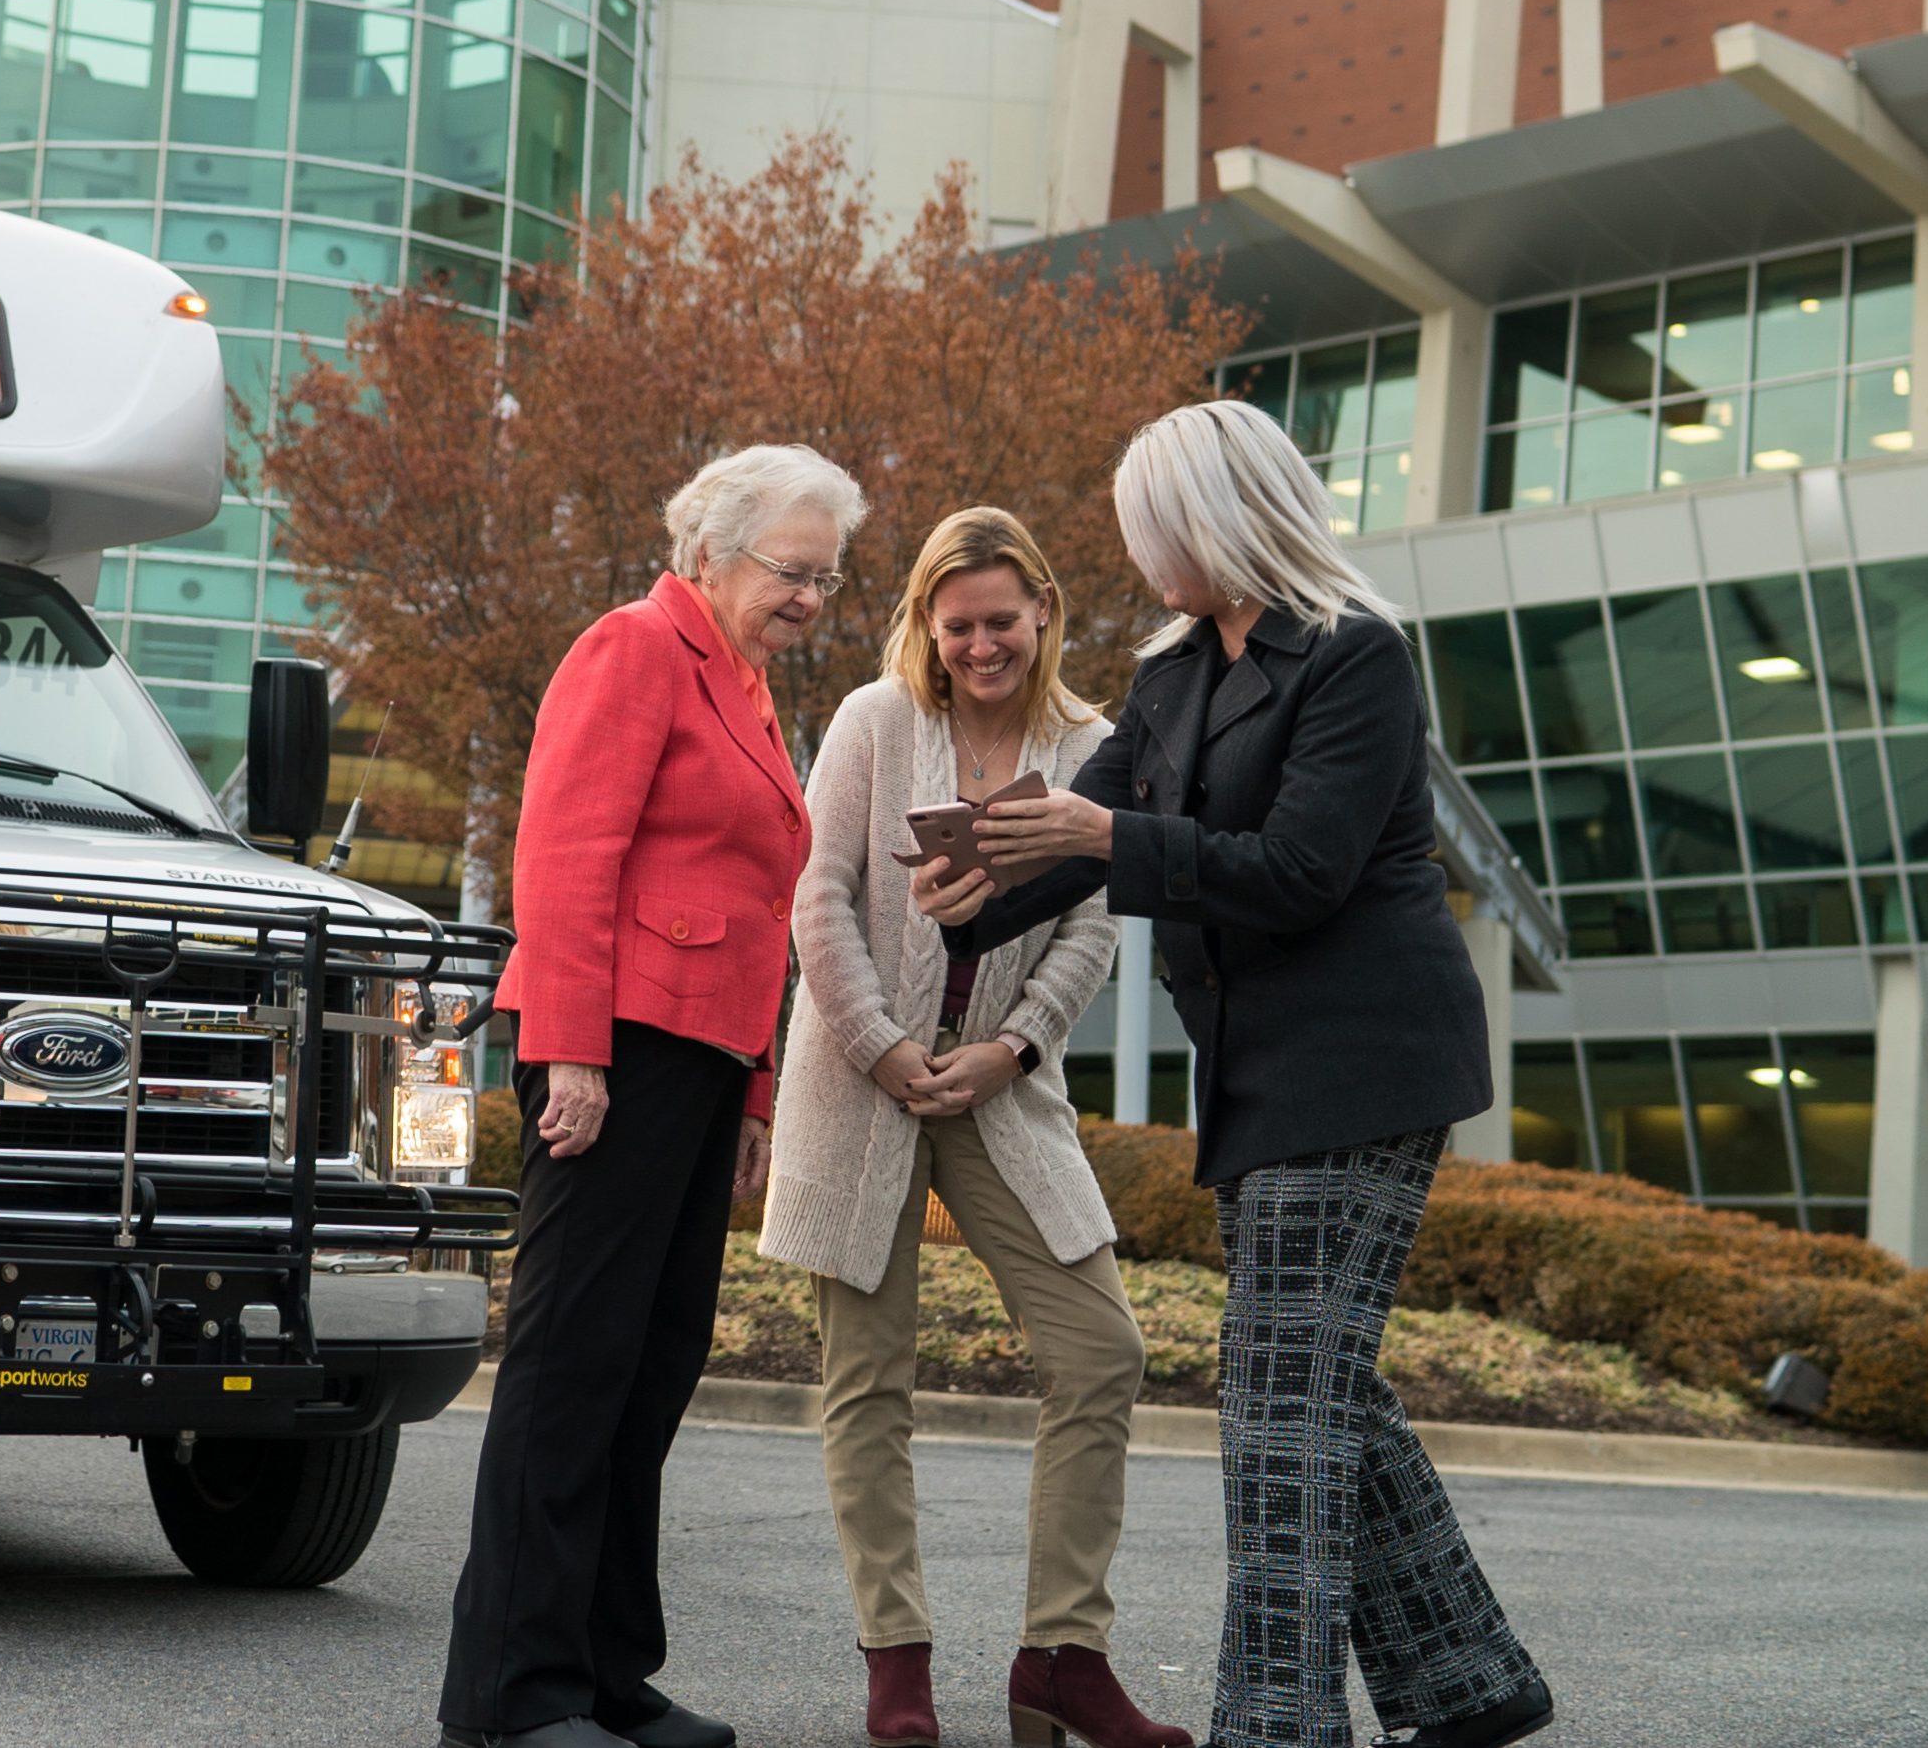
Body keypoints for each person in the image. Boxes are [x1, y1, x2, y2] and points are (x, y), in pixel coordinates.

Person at [946, 402, 1553, 1748]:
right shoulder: (1171, 672)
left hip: (1364, 1061)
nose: (1135, 550)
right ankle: (1466, 1676)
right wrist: (954, 891)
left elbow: (1295, 872)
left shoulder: (1356, 659)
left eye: (1150, 525)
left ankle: (1274, 1722)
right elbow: (1070, 845)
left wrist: (1103, 830)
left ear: (1218, 515)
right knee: (1314, 1373)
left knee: (1279, 1397)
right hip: (1256, 1074)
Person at [437, 443, 870, 1748]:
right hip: (611, 1042)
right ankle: (509, 1699)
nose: (806, 596)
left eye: (823, 577)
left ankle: (605, 1674)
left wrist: (749, 1096)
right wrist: (568, 1047)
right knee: (571, 1365)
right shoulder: (630, 647)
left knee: (649, 1365)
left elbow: (751, 909)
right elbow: (563, 855)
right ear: (705, 550)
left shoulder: (736, 679)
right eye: (788, 570)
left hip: (695, 1052)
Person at [762, 509, 1189, 1748]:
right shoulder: (871, 721)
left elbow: (1092, 921)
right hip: (860, 1084)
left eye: (1000, 620)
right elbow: (818, 896)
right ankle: (896, 1665)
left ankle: (1061, 1657)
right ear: (926, 627)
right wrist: (880, 1047)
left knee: (1098, 1349)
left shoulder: (1091, 743)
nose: (979, 645)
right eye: (956, 626)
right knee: (865, 1377)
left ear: (1043, 610)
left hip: (1004, 1089)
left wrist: (1012, 1046)